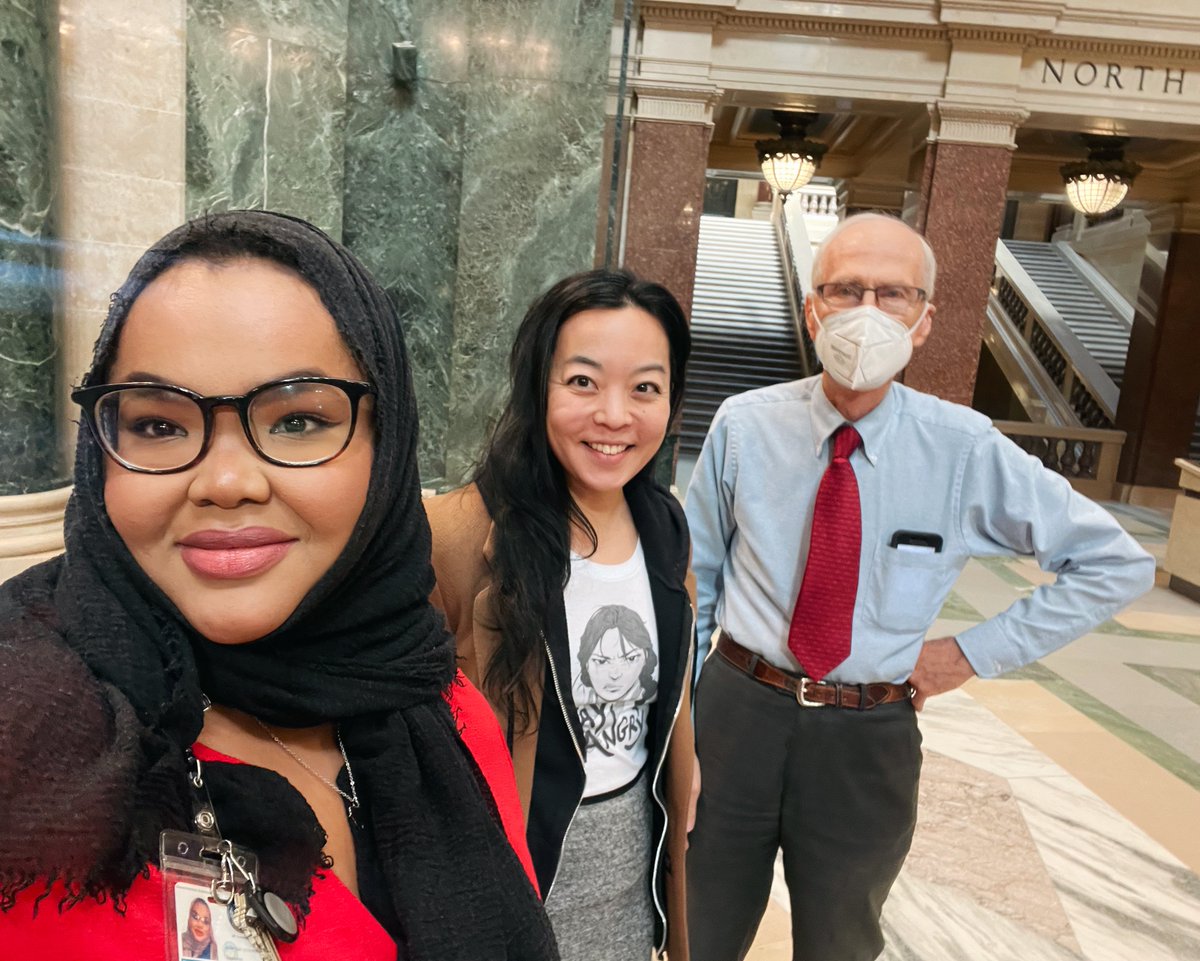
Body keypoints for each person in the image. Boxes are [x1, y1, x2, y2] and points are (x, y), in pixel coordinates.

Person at [0, 210, 557, 961]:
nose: (225, 481)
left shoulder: (448, 714)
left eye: (297, 419)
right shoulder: (29, 748)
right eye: (158, 426)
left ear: (385, 446)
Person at [683, 212, 1156, 961]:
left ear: (926, 320)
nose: (867, 311)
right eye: (845, 289)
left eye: (894, 293)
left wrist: (970, 652)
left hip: (867, 736)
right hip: (736, 710)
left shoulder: (962, 447)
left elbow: (1115, 562)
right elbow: (696, 580)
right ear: (812, 309)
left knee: (840, 941)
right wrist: (677, 721)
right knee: (695, 928)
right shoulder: (744, 426)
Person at [425, 269, 697, 961]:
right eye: (582, 381)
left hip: (636, 866)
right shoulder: (455, 536)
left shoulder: (665, 525)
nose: (615, 414)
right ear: (537, 385)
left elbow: (671, 695)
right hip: (511, 877)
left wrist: (686, 778)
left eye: (645, 387)